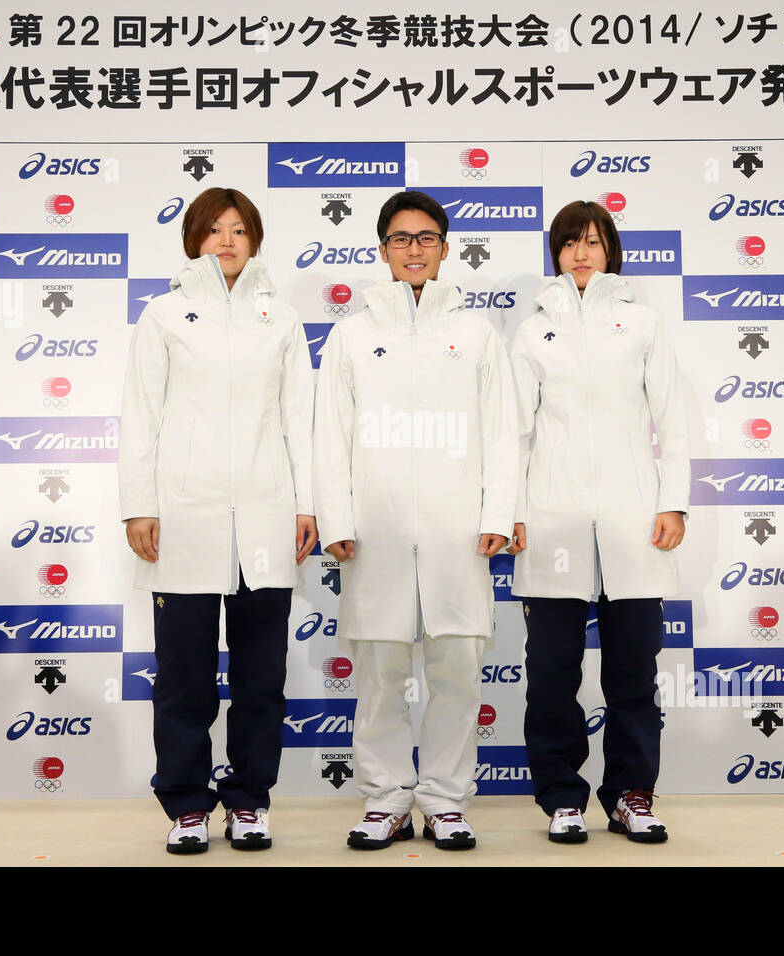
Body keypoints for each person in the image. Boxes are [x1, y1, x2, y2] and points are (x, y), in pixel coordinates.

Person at [313, 190, 519, 850]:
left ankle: (446, 798)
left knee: (458, 668)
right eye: (400, 239)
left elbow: (503, 433)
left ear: (445, 248)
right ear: (382, 251)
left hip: (458, 533)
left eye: (426, 238)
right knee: (380, 672)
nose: (414, 249)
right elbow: (330, 435)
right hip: (375, 532)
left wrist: (498, 512)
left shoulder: (476, 333)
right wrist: (336, 517)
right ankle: (384, 798)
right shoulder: (352, 333)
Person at [119, 187, 317, 854]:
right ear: (193, 239)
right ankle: (186, 805)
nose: (226, 241)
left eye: (239, 230)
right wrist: (139, 504)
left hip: (264, 520)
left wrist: (308, 504)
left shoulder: (281, 319)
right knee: (184, 678)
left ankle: (249, 801)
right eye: (214, 230)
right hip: (186, 520)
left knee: (261, 680)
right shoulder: (165, 315)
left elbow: (301, 423)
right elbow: (141, 416)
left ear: (255, 240)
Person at [508, 200, 688, 845]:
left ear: (611, 249)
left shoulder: (643, 323)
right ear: (554, 254)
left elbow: (672, 419)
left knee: (633, 673)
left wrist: (673, 502)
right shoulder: (532, 331)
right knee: (552, 674)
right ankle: (561, 796)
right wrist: (515, 511)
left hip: (632, 520)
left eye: (593, 241)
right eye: (569, 243)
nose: (581, 253)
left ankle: (631, 795)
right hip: (551, 523)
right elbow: (516, 432)